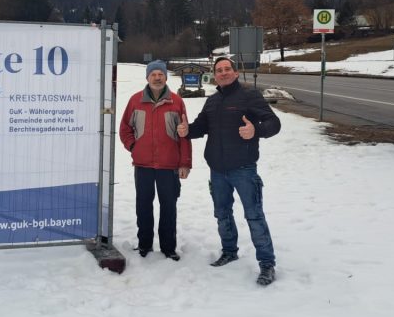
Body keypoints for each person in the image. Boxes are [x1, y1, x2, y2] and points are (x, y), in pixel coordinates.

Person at [177, 56, 281, 286]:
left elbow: (274, 123)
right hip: (217, 170)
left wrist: (256, 131)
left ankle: (267, 263)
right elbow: (200, 127)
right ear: (214, 76)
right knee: (222, 214)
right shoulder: (212, 101)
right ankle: (229, 251)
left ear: (235, 73)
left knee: (254, 215)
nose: (223, 73)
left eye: (227, 69)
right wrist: (186, 130)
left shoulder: (250, 96)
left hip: (244, 169)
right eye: (219, 70)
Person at [119, 60, 192, 260]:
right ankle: (144, 245)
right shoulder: (135, 101)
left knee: (168, 207)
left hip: (169, 165)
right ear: (147, 77)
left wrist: (185, 163)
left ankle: (168, 248)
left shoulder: (176, 102)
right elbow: (125, 128)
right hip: (143, 165)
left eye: (161, 74)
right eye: (153, 74)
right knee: (143, 205)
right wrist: (133, 147)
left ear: (166, 77)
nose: (157, 78)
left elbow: (184, 135)